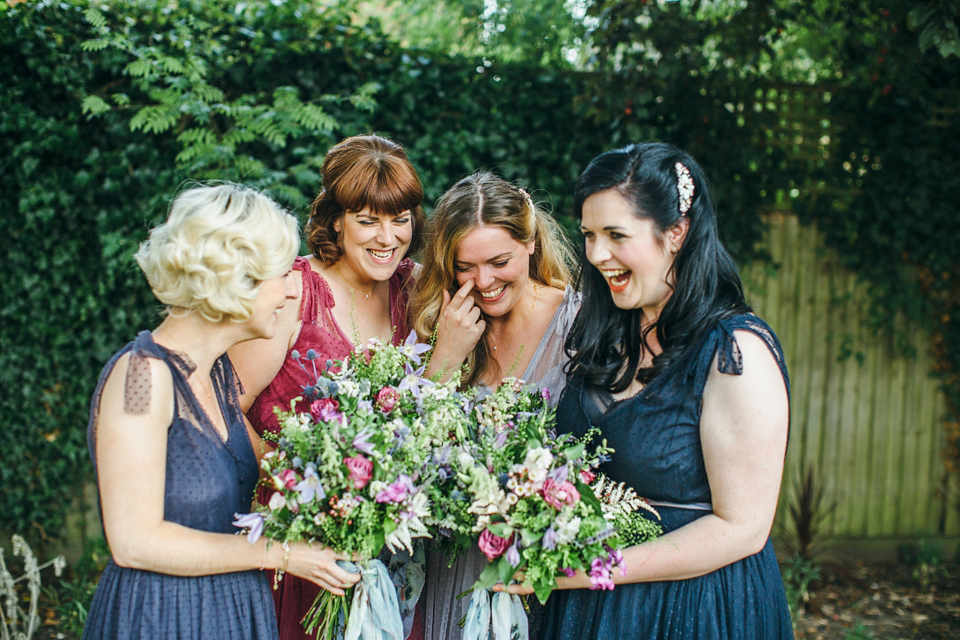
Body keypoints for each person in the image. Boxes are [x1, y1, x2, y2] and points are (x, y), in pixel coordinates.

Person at [496, 142, 794, 638]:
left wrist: (585, 572)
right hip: (587, 614)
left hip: (695, 610)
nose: (595, 254)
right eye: (589, 235)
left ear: (676, 232)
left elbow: (742, 528)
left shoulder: (735, 353)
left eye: (616, 235)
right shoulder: (605, 335)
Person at [83, 184, 360, 640]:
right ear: (236, 280)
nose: (294, 289)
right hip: (162, 618)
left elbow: (273, 474)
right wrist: (281, 553)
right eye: (282, 273)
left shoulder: (219, 379)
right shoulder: (141, 377)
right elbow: (134, 542)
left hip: (231, 611)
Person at [228, 134, 426, 640]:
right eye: (368, 220)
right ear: (336, 219)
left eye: (399, 220)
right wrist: (296, 483)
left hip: (390, 555)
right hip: (294, 547)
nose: (387, 238)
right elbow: (221, 405)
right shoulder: (293, 292)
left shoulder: (418, 291)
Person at [411, 171, 579, 640]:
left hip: (543, 572)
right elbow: (409, 454)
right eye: (465, 266)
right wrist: (445, 356)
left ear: (530, 243)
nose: (483, 281)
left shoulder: (582, 327)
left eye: (499, 261)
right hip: (454, 569)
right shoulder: (439, 325)